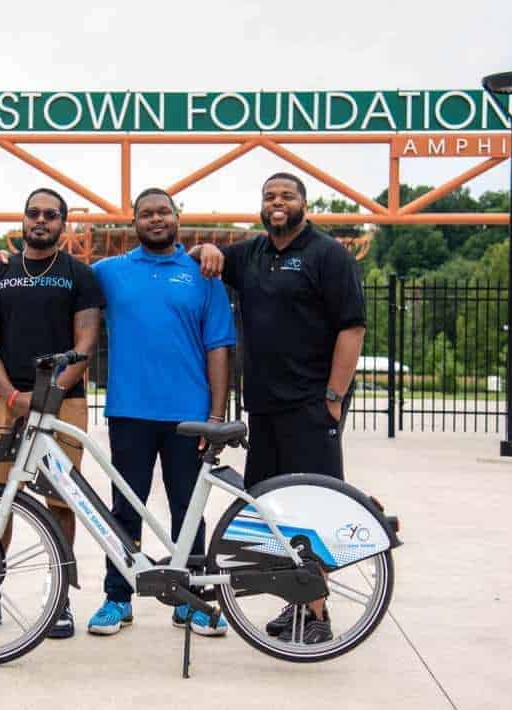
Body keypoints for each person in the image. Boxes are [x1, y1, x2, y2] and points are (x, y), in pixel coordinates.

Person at [0, 188, 236, 639]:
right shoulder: (107, 273)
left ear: (177, 217)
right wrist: (4, 256)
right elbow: (49, 267)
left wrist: (216, 415)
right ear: (134, 221)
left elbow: (219, 348)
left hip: (190, 412)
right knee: (122, 510)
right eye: (146, 214)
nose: (155, 220)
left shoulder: (203, 273)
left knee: (187, 510)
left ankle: (192, 599)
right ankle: (119, 597)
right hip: (130, 411)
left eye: (163, 212)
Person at [189, 172, 367, 645]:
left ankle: (317, 613)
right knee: (272, 514)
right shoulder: (252, 253)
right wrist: (206, 248)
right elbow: (204, 259)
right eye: (269, 196)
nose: (277, 202)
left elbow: (352, 327)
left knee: (314, 511)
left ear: (304, 203)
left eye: (287, 195)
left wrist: (333, 397)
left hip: (311, 407)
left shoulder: (327, 254)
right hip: (264, 411)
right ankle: (294, 607)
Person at [0, 187, 104, 640]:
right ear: (22, 220)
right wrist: (12, 396)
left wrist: (49, 393)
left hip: (64, 400)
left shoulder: (80, 274)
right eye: (33, 213)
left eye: (51, 214)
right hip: (9, 401)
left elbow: (85, 342)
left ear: (64, 223)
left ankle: (60, 600)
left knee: (61, 499)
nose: (41, 220)